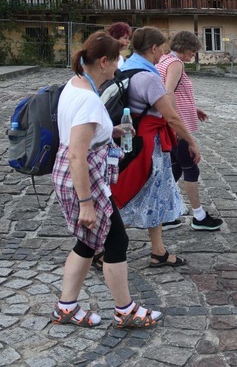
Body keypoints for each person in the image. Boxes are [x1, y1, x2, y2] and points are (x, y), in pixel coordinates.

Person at [51, 31, 161, 329]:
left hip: (77, 173)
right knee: (116, 240)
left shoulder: (74, 85)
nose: (118, 68)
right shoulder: (87, 98)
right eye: (116, 62)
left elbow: (79, 135)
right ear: (102, 62)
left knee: (87, 243)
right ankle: (125, 310)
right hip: (83, 178)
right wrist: (86, 203)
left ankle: (66, 307)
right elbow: (77, 153)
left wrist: (112, 131)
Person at [111, 26, 200, 267]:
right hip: (150, 146)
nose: (163, 52)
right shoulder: (148, 77)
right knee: (139, 192)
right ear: (153, 48)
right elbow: (170, 117)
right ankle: (102, 247)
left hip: (131, 140)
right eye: (161, 48)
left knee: (153, 195)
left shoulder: (124, 69)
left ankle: (158, 251)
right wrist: (191, 142)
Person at [156, 30, 223, 231]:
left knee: (175, 169)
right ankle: (199, 216)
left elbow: (169, 92)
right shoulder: (176, 64)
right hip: (176, 125)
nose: (194, 54)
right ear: (184, 48)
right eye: (192, 50)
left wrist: (194, 109)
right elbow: (168, 92)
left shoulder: (163, 60)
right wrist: (176, 123)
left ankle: (164, 215)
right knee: (190, 167)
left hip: (169, 123)